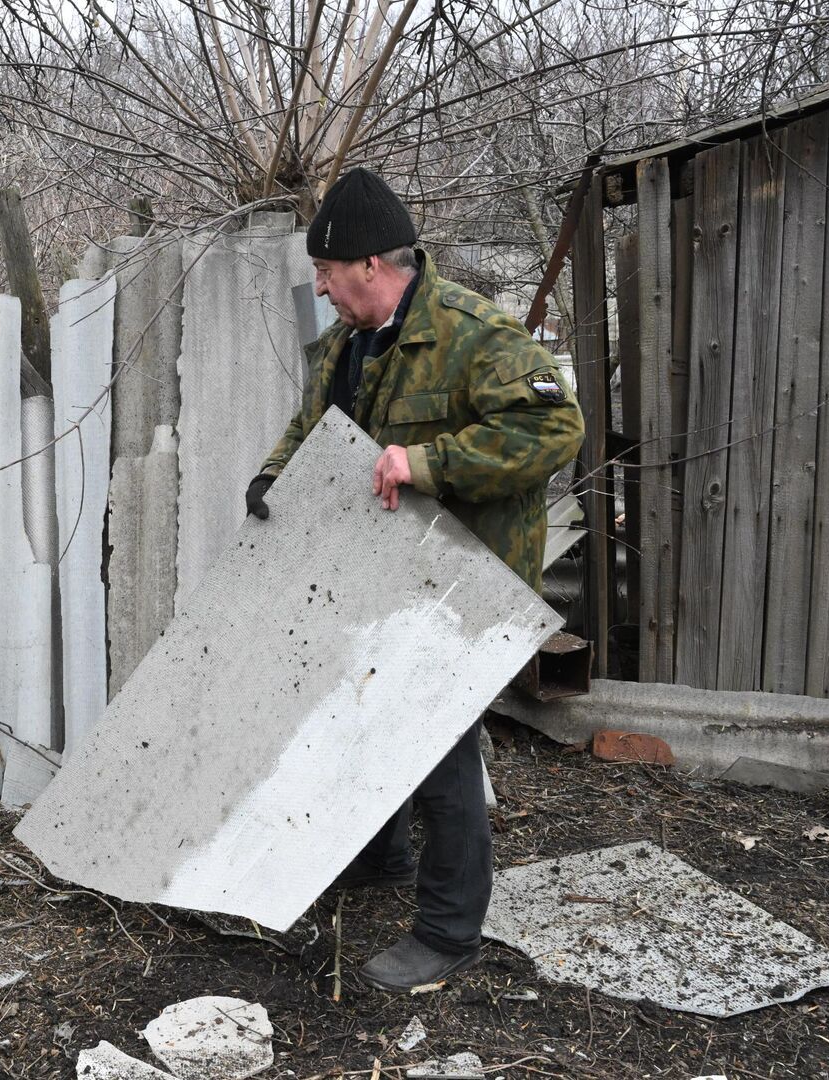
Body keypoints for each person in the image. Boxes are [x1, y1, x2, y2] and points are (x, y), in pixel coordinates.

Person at [246, 167, 585, 993]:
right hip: (379, 577)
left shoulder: (473, 332)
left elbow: (555, 426)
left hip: (464, 585)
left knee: (440, 755)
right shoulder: (346, 345)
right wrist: (272, 478)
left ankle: (447, 932)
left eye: (326, 272)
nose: (320, 287)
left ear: (369, 264)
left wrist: (427, 462)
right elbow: (312, 427)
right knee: (362, 716)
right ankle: (380, 859)